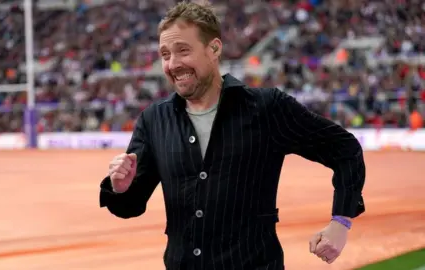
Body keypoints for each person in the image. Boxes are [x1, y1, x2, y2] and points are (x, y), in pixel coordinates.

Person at [99, 1, 366, 269]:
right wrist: (120, 189)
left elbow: (344, 149)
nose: (172, 64)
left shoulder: (266, 108)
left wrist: (340, 222)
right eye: (165, 54)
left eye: (183, 51)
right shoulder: (153, 120)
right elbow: (129, 206)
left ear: (214, 48)